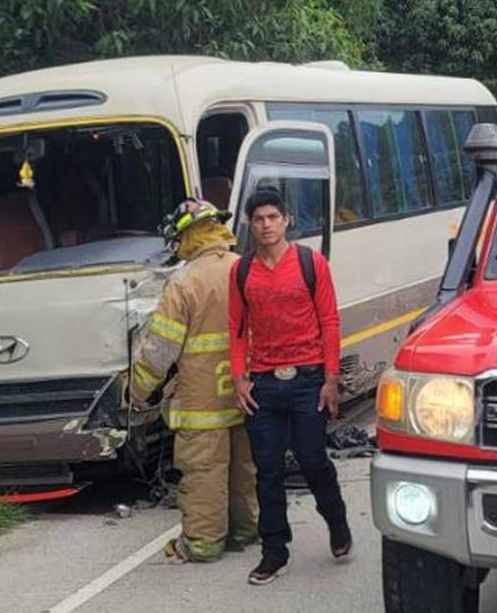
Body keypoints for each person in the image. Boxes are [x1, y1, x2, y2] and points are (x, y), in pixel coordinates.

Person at [229, 187, 351, 586]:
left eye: (272, 217)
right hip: (263, 384)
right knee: (267, 471)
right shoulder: (241, 271)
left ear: (286, 221)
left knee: (312, 460)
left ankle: (336, 521)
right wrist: (239, 378)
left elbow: (329, 321)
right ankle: (274, 552)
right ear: (250, 225)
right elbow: (237, 327)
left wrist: (331, 378)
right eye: (258, 219)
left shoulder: (311, 263)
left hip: (308, 380)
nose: (266, 225)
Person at [129, 199, 258, 563]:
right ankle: (244, 530)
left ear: (187, 236)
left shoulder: (184, 282)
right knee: (243, 466)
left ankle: (203, 542)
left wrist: (137, 391)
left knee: (204, 470)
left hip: (202, 400)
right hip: (247, 392)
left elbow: (160, 349)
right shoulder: (245, 268)